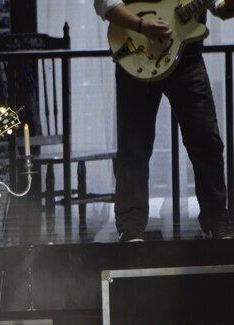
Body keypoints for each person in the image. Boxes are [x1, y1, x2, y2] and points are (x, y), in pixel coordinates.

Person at [95, 0, 234, 241]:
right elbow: (105, 3)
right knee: (134, 146)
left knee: (207, 140)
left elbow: (219, 8)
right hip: (137, 53)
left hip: (187, 58)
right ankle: (130, 228)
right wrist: (141, 25)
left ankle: (218, 222)